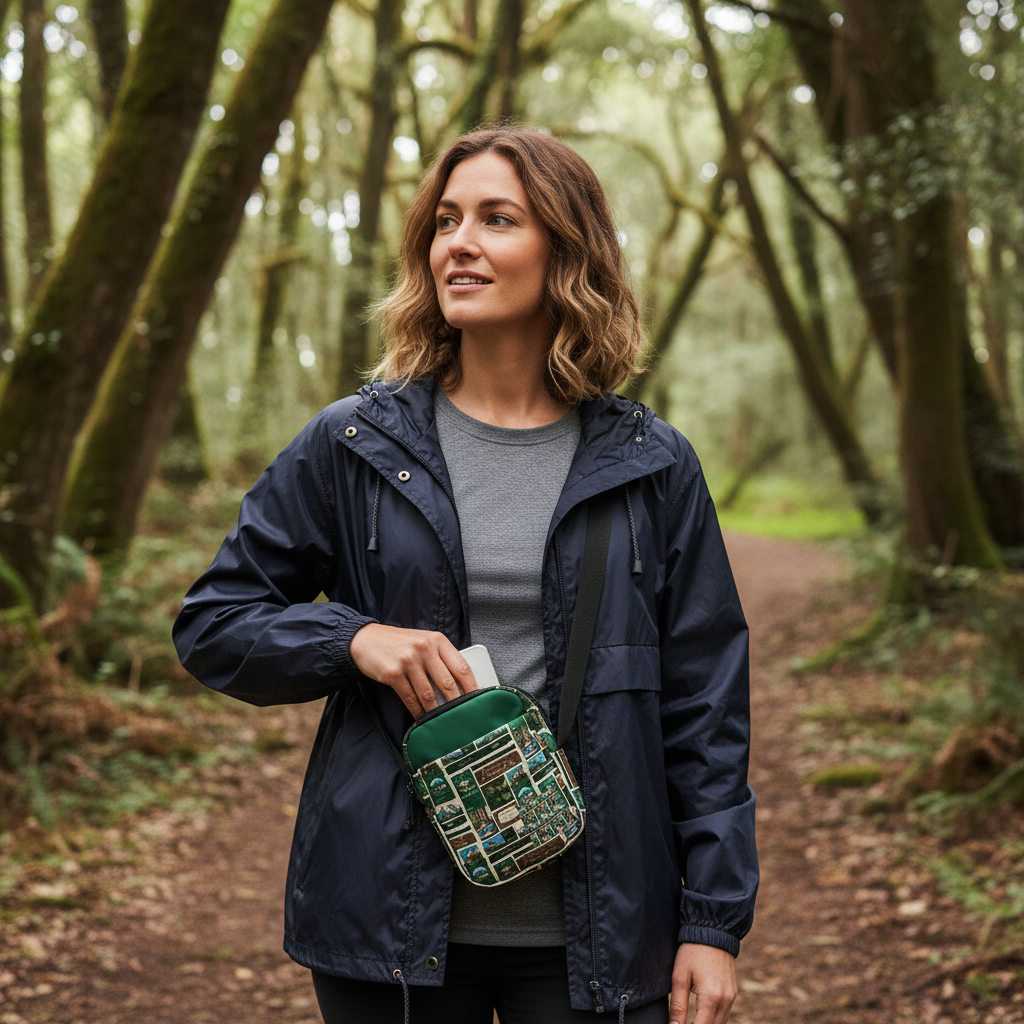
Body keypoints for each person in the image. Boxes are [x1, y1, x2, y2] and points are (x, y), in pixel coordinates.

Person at [173, 126, 757, 1024]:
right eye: (446, 220)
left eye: (498, 219)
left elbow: (706, 706)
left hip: (601, 933)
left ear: (565, 251)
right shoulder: (356, 443)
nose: (461, 243)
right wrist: (353, 637)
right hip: (392, 933)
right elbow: (214, 621)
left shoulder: (650, 461)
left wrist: (712, 923)